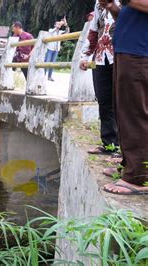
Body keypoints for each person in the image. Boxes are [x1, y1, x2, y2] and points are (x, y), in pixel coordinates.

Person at [101, 0, 148, 195]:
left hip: (140, 52)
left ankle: (138, 176)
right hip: (128, 51)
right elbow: (129, 16)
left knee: (136, 113)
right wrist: (112, 6)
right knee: (124, 111)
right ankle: (130, 165)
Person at [80, 1, 120, 160]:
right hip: (101, 57)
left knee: (122, 102)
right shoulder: (99, 2)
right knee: (104, 101)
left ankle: (123, 149)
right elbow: (94, 29)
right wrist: (85, 55)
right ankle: (109, 144)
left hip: (122, 54)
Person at [44, 17, 70, 81]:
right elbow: (53, 31)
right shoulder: (51, 30)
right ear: (54, 25)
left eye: (59, 24)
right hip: (49, 49)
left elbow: (67, 32)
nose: (59, 25)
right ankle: (43, 75)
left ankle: (49, 77)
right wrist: (57, 26)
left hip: (56, 50)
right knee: (46, 63)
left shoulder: (60, 32)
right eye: (57, 24)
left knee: (53, 64)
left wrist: (65, 24)